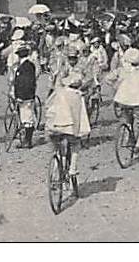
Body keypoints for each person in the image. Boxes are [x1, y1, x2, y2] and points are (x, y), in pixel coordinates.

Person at [44, 45, 91, 181]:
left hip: (70, 100)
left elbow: (87, 81)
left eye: (74, 58)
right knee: (73, 140)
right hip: (70, 100)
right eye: (70, 58)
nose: (72, 61)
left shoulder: (82, 68)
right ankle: (66, 169)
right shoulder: (64, 69)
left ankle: (67, 167)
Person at [11, 43, 38, 148]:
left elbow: (25, 83)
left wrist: (21, 96)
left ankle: (28, 141)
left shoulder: (25, 66)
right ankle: (27, 140)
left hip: (25, 96)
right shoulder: (29, 65)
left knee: (27, 118)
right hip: (28, 95)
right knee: (27, 117)